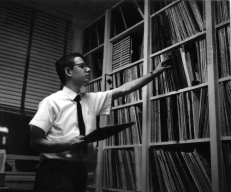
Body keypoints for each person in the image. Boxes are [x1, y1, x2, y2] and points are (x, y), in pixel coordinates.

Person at [29, 52, 171, 191]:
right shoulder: (50, 102)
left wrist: (155, 73)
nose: (88, 69)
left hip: (80, 169)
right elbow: (35, 142)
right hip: (54, 170)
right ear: (68, 71)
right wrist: (67, 144)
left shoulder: (91, 99)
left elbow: (124, 89)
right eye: (82, 66)